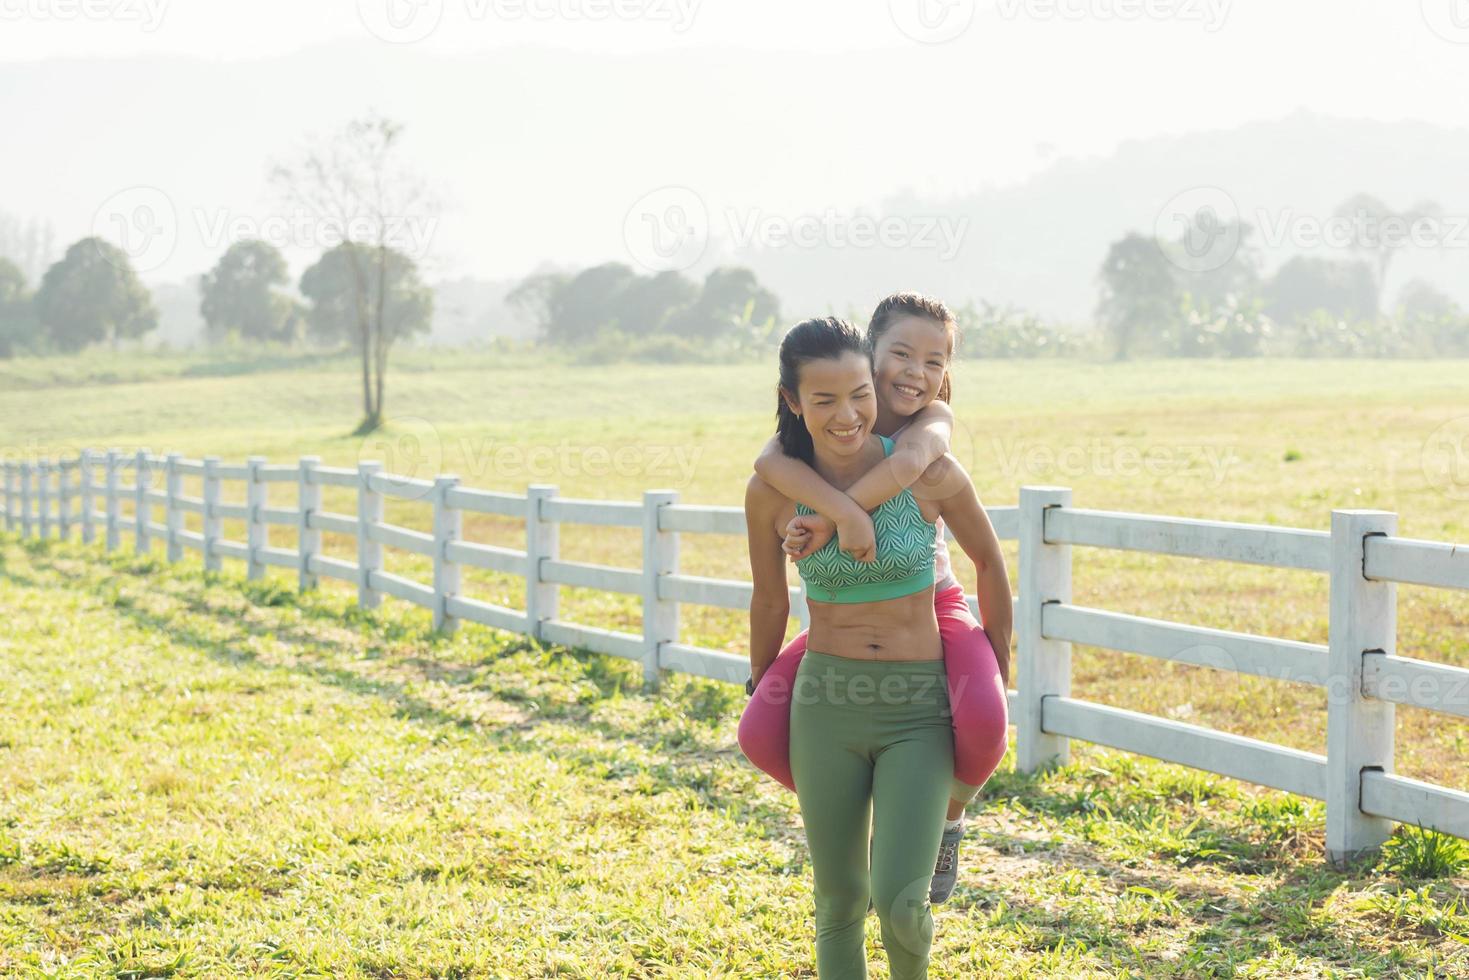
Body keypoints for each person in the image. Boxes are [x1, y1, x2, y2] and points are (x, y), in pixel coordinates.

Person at [744, 315, 1010, 979]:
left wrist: (999, 662)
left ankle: (942, 828)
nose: (846, 416)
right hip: (826, 706)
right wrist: (759, 677)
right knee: (838, 900)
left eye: (859, 395)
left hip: (917, 709)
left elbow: (988, 561)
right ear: (792, 401)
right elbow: (771, 599)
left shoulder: (925, 469)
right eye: (824, 400)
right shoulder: (772, 490)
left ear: (875, 386)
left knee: (900, 903)